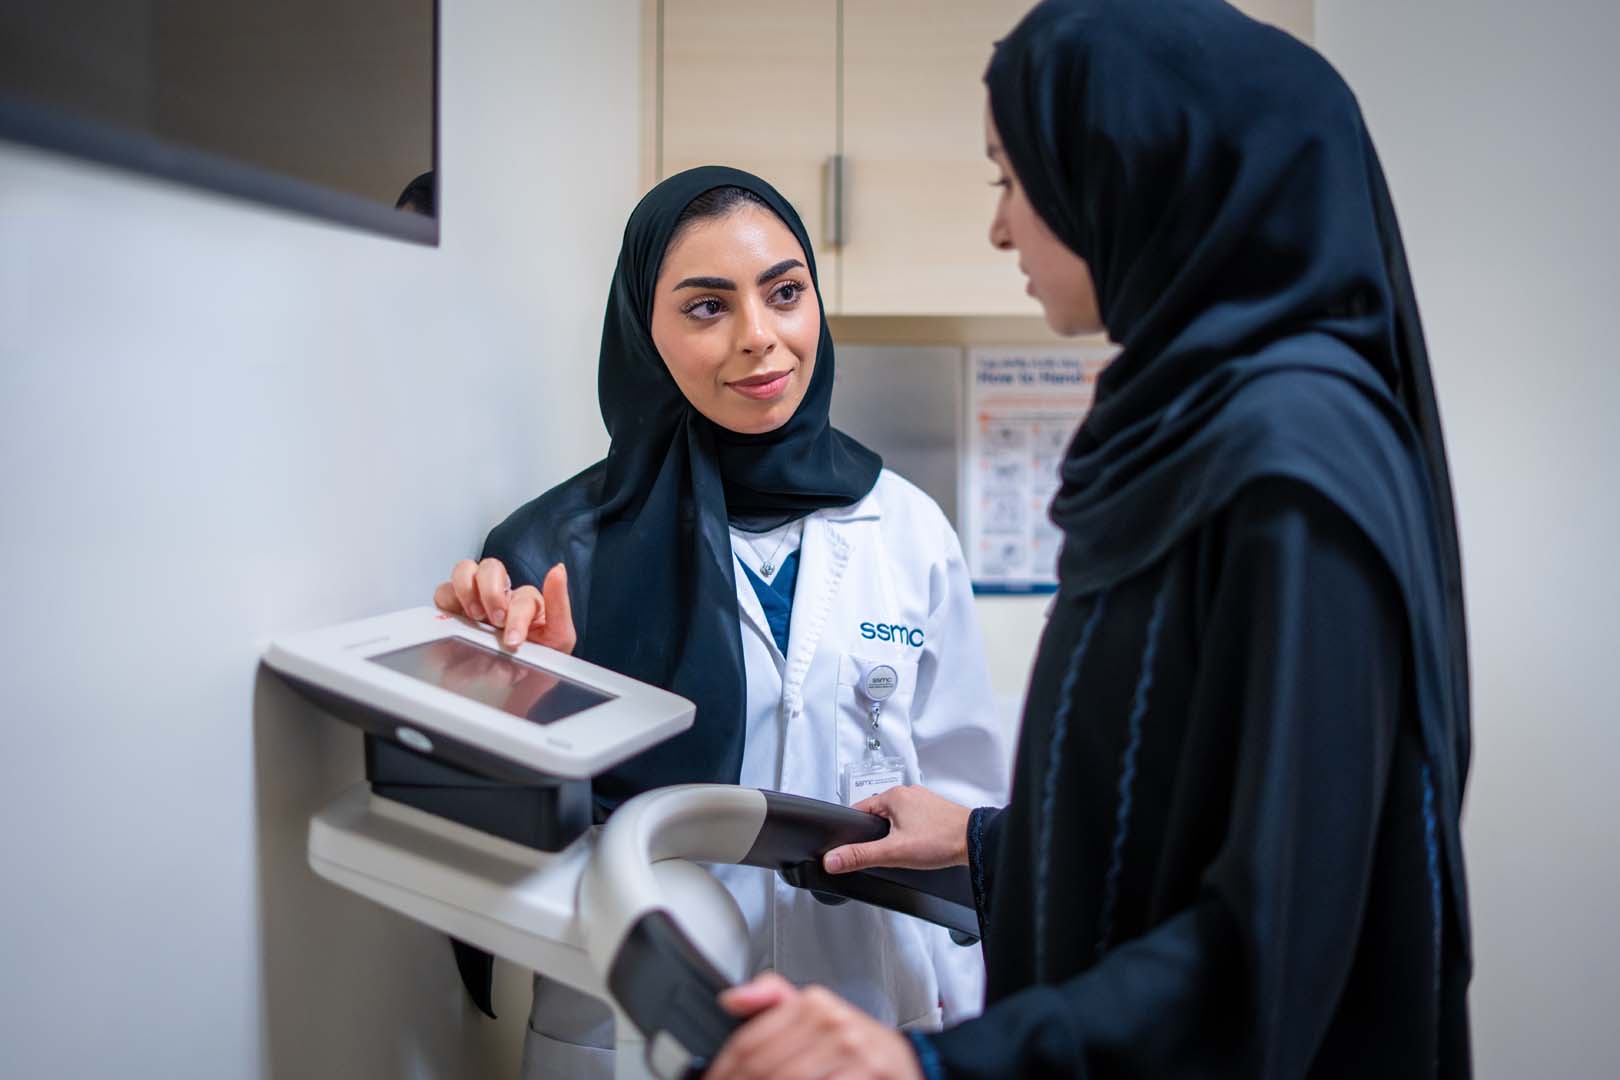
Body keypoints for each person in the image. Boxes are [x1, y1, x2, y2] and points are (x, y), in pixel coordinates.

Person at [706, 1, 1473, 1077]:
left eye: (1010, 180)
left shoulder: (1292, 467)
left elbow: (1272, 938)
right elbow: (1174, 815)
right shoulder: (1192, 434)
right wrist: (981, 849)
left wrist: (937, 1067)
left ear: (1134, 170)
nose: (1000, 227)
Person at [431, 166, 1009, 1076]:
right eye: (707, 308)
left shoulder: (907, 529)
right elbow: (488, 846)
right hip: (632, 1026)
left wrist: (962, 1022)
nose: (761, 339)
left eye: (785, 293)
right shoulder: (552, 551)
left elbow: (965, 801)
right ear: (642, 331)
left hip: (866, 1014)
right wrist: (530, 701)